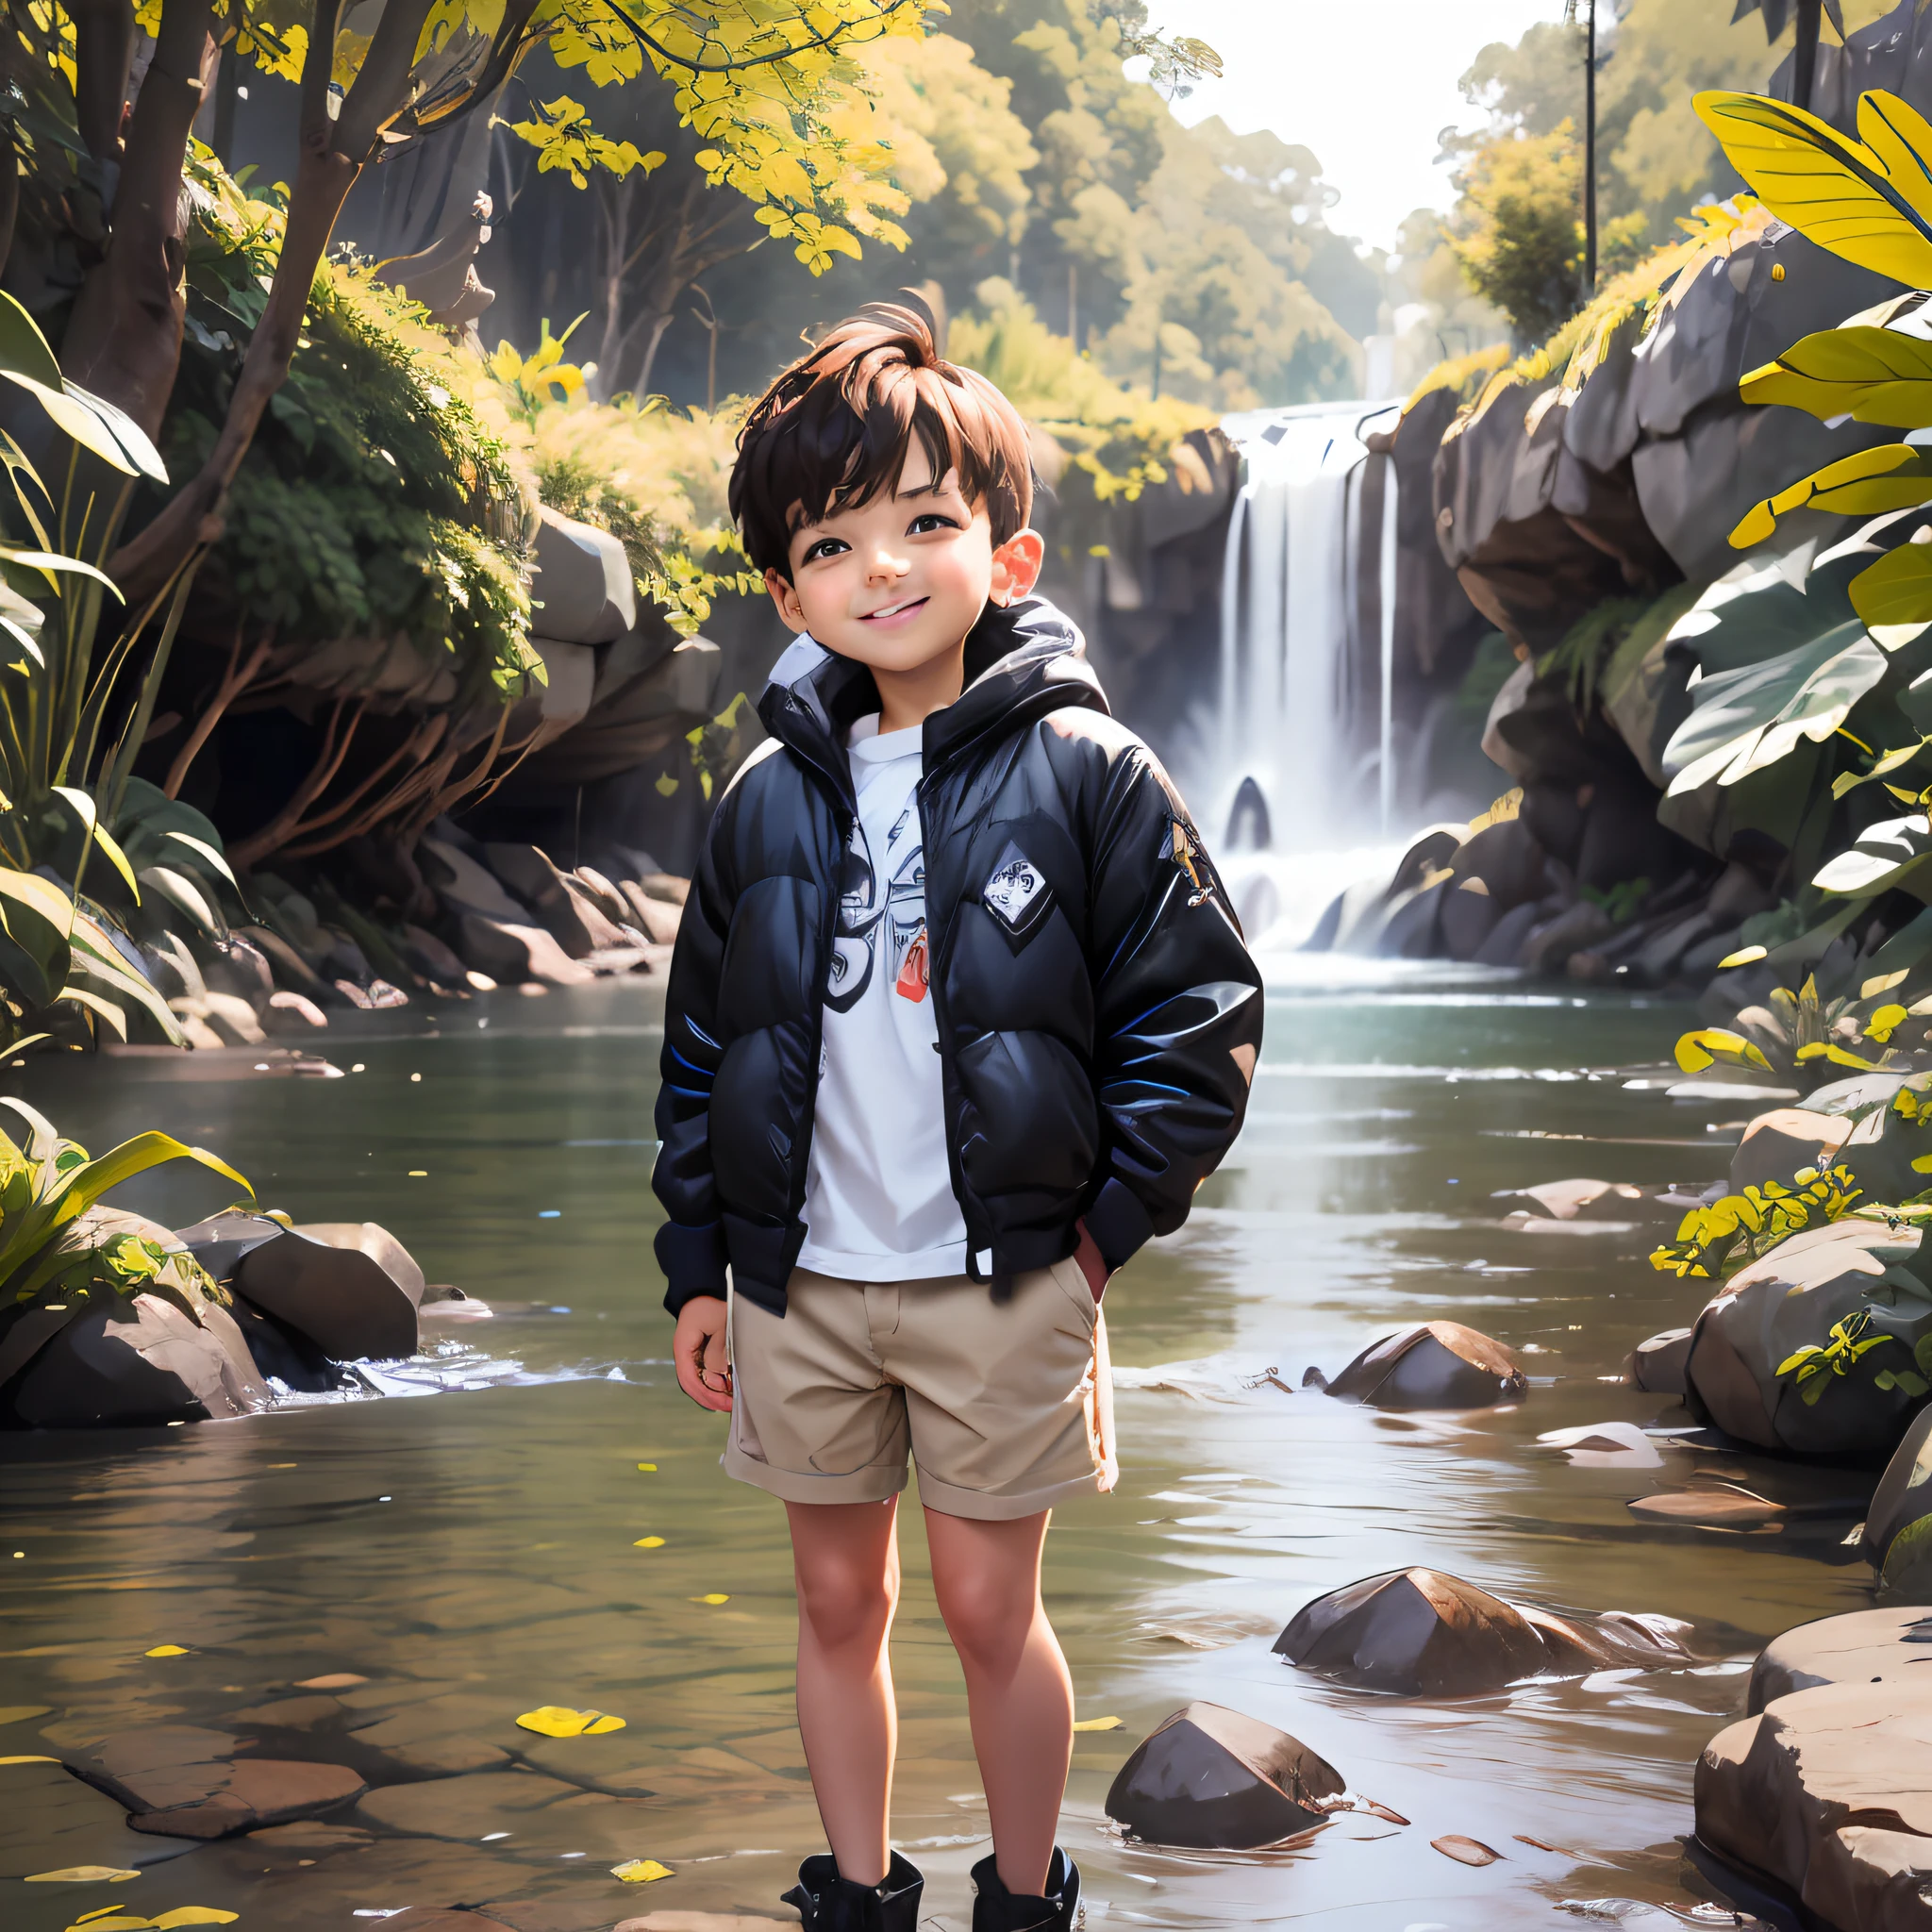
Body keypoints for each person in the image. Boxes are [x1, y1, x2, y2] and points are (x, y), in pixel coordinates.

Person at [651, 299, 1262, 1932]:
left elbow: (1201, 1013)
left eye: (930, 522)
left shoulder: (1089, 771)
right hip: (806, 1278)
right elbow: (703, 1048)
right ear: (787, 592)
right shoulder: (763, 799)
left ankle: (1021, 1899)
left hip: (1006, 1275)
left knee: (995, 1608)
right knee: (833, 1597)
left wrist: (1097, 1233)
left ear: (1011, 550)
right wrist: (700, 1262)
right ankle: (854, 1899)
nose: (889, 567)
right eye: (836, 542)